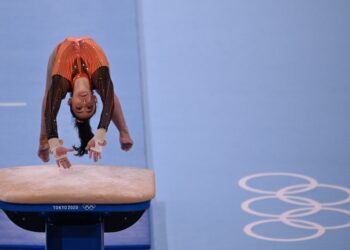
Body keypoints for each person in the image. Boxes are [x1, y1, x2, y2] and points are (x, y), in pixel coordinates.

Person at [37, 37, 133, 168]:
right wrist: (99, 135)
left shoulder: (61, 82)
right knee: (108, 93)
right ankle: (124, 132)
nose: (83, 103)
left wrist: (53, 144)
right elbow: (108, 101)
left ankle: (44, 139)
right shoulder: (99, 75)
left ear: (69, 101)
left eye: (78, 107)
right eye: (89, 107)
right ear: (95, 99)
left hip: (59, 52)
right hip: (94, 61)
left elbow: (50, 114)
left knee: (50, 96)